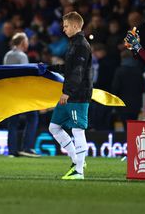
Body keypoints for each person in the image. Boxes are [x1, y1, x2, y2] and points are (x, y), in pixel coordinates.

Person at [47, 12, 92, 180]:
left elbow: (78, 72)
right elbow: (69, 68)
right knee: (54, 127)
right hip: (71, 94)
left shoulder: (81, 45)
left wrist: (67, 92)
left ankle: (79, 171)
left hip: (78, 95)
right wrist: (50, 68)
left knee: (78, 130)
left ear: (75, 26)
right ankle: (76, 160)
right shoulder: (74, 44)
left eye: (65, 26)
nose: (63, 29)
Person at [3, 32, 40, 158]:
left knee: (13, 122)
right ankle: (27, 147)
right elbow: (26, 76)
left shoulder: (7, 55)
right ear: (23, 43)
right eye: (27, 41)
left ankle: (12, 151)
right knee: (33, 116)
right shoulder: (22, 56)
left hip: (9, 92)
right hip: (22, 92)